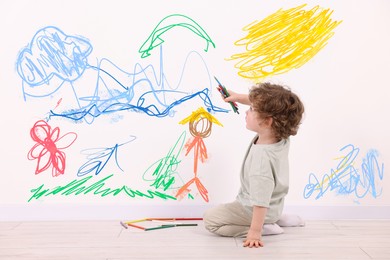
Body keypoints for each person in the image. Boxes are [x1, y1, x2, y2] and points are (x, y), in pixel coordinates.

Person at [203, 82, 305, 248]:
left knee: (210, 220)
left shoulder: (261, 161)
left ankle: (265, 227)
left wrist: (255, 232)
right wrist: (237, 97)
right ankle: (275, 218)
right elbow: (268, 107)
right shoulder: (281, 136)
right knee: (265, 207)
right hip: (274, 206)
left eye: (251, 109)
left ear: (267, 121)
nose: (247, 110)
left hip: (254, 209)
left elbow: (260, 201)